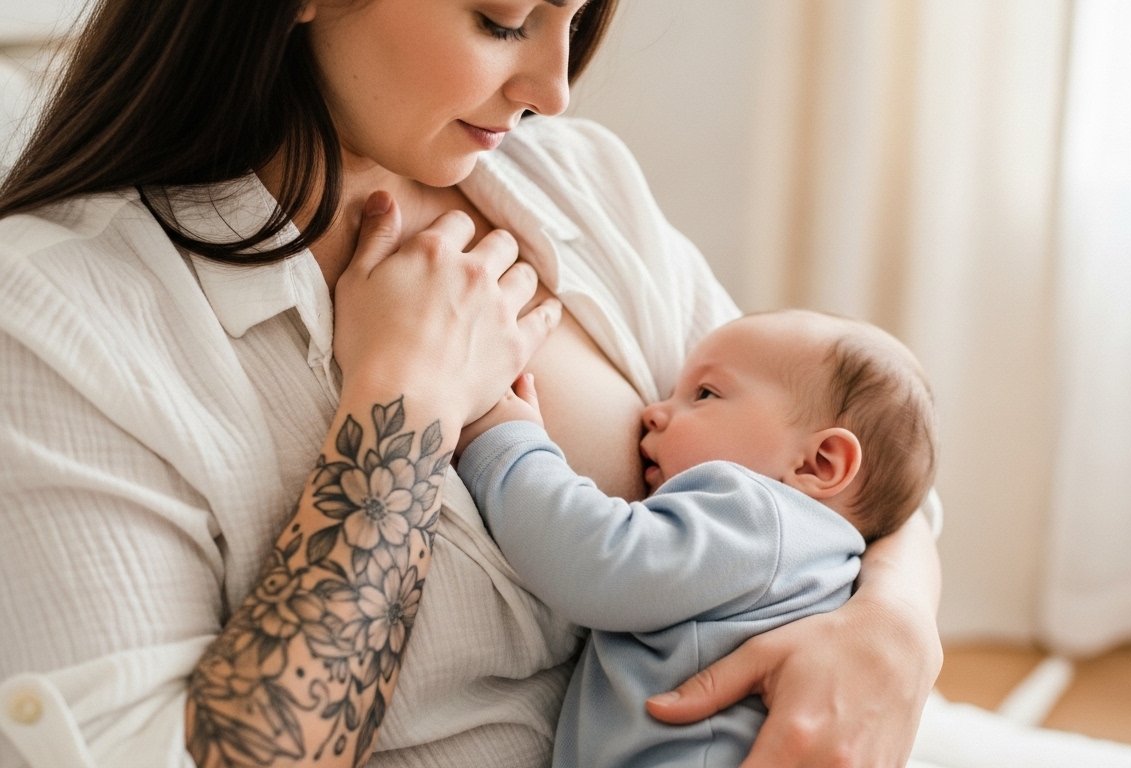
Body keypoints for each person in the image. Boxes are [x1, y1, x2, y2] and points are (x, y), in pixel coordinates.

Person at [0, 1, 943, 767]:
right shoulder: (56, 321)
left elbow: (857, 460)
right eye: (501, 20)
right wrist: (400, 406)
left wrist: (894, 634)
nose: (555, 90)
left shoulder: (575, 179)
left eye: (574, 19)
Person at [456, 309, 939, 767]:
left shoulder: (760, 516)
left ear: (819, 464)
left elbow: (600, 559)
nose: (653, 411)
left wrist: (505, 442)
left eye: (704, 394)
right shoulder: (826, 557)